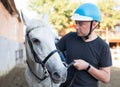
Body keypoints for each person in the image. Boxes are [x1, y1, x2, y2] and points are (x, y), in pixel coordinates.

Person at [56, 3, 112, 87]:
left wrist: (87, 66)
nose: (77, 27)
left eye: (81, 23)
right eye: (76, 23)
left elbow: (106, 78)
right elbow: (53, 53)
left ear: (94, 24)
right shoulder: (69, 38)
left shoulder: (103, 47)